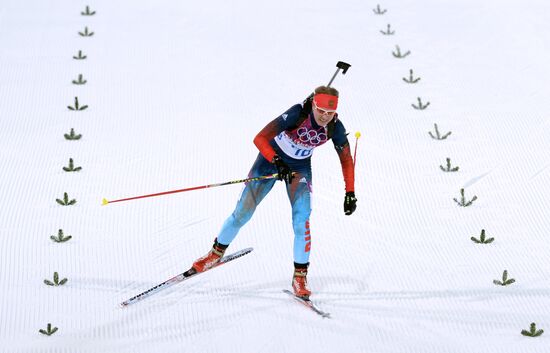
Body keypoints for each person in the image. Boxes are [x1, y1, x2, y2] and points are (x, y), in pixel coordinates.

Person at [189, 86, 357, 298]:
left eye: (329, 112)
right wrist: (276, 161)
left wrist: (350, 191)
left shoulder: (335, 127)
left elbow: (346, 159)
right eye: (320, 110)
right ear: (313, 104)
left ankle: (300, 277)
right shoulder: (297, 113)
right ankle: (215, 254)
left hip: (299, 170)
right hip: (269, 163)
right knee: (242, 213)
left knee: (301, 221)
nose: (324, 116)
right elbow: (259, 138)